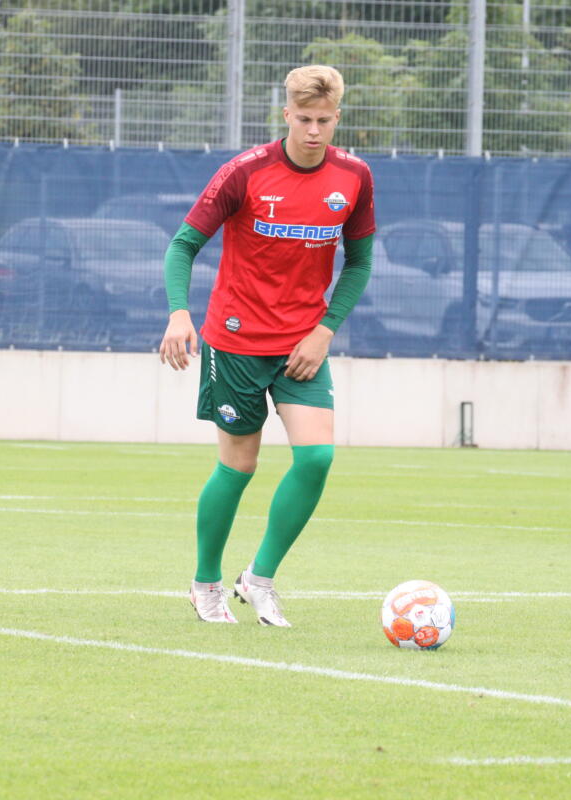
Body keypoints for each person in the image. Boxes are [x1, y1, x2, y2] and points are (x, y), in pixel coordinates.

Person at [158, 65, 375, 626]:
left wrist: (325, 329)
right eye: (303, 119)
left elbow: (360, 263)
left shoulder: (353, 177)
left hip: (303, 344)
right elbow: (183, 246)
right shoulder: (245, 172)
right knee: (240, 464)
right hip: (237, 339)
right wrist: (180, 312)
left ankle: (259, 578)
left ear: (337, 119)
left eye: (324, 121)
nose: (313, 131)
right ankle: (205, 582)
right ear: (286, 116)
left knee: (318, 457)